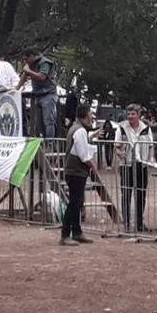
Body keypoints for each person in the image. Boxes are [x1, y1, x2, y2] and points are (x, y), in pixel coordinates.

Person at [60, 104, 99, 246]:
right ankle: (65, 234)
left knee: (77, 203)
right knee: (74, 204)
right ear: (85, 115)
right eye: (90, 113)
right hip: (76, 171)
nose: (92, 117)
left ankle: (77, 232)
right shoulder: (80, 131)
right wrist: (94, 166)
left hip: (74, 171)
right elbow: (83, 155)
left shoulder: (75, 128)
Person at [115, 104, 154, 232]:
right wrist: (121, 154)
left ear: (139, 115)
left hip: (141, 165)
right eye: (129, 114)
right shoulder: (121, 128)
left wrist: (151, 159)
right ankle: (126, 223)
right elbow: (116, 147)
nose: (130, 116)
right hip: (127, 165)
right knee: (126, 194)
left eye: (133, 114)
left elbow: (151, 146)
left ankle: (139, 222)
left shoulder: (146, 128)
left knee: (141, 194)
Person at [21, 48, 58, 139]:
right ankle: (41, 141)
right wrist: (17, 88)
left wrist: (28, 71)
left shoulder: (44, 63)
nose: (26, 61)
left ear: (33, 56)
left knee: (48, 120)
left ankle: (49, 143)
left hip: (48, 94)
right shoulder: (31, 64)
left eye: (27, 59)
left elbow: (42, 76)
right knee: (39, 122)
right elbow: (24, 75)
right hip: (37, 95)